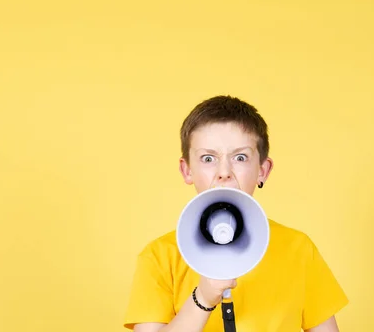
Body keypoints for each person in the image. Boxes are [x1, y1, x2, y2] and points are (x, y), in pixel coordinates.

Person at [123, 95, 349, 331]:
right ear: (187, 170)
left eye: (240, 157)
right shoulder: (159, 257)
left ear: (262, 170)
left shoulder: (298, 249)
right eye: (208, 158)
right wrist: (202, 299)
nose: (224, 172)